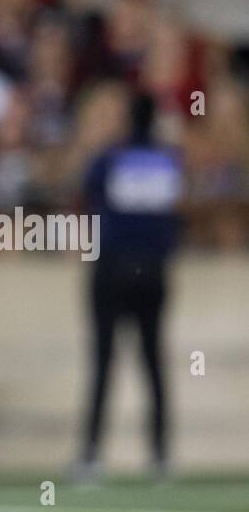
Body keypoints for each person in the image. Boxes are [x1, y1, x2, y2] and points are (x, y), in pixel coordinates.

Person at [78, 92, 182, 480]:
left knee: (104, 361)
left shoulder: (110, 158)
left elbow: (88, 192)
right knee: (153, 360)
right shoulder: (169, 160)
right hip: (154, 271)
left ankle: (91, 455)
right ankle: (160, 456)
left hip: (112, 268)